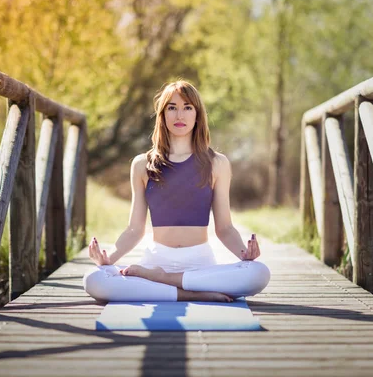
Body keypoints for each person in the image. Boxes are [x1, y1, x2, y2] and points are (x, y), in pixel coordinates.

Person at [83, 80, 270, 303]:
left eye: (187, 107)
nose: (179, 115)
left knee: (259, 273)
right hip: (155, 260)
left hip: (199, 264)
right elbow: (135, 229)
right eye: (172, 108)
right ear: (162, 115)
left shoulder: (217, 164)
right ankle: (186, 293)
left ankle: (164, 282)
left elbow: (225, 228)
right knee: (93, 279)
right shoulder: (142, 164)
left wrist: (244, 254)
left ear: (198, 115)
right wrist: (108, 258)